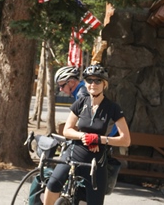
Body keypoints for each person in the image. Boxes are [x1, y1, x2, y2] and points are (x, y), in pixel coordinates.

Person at [44, 64, 131, 205]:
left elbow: (125, 140)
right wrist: (83, 136)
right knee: (53, 183)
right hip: (74, 153)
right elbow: (67, 130)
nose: (93, 84)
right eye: (89, 80)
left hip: (96, 161)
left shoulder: (113, 108)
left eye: (98, 81)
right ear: (85, 83)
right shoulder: (80, 103)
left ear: (105, 84)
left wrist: (99, 139)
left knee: (95, 201)